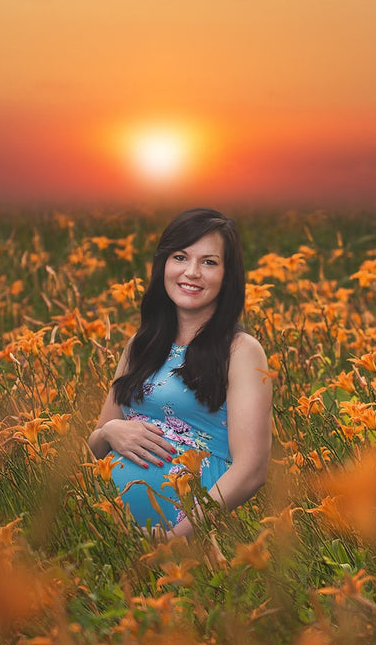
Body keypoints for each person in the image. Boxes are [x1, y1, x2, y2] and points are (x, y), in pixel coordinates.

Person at [87, 208, 272, 537]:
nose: (192, 272)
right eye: (180, 257)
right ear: (163, 266)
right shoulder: (140, 345)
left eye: (209, 262)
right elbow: (93, 446)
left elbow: (252, 469)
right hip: (103, 532)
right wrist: (110, 431)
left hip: (184, 537)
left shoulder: (241, 352)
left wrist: (178, 541)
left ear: (228, 275)